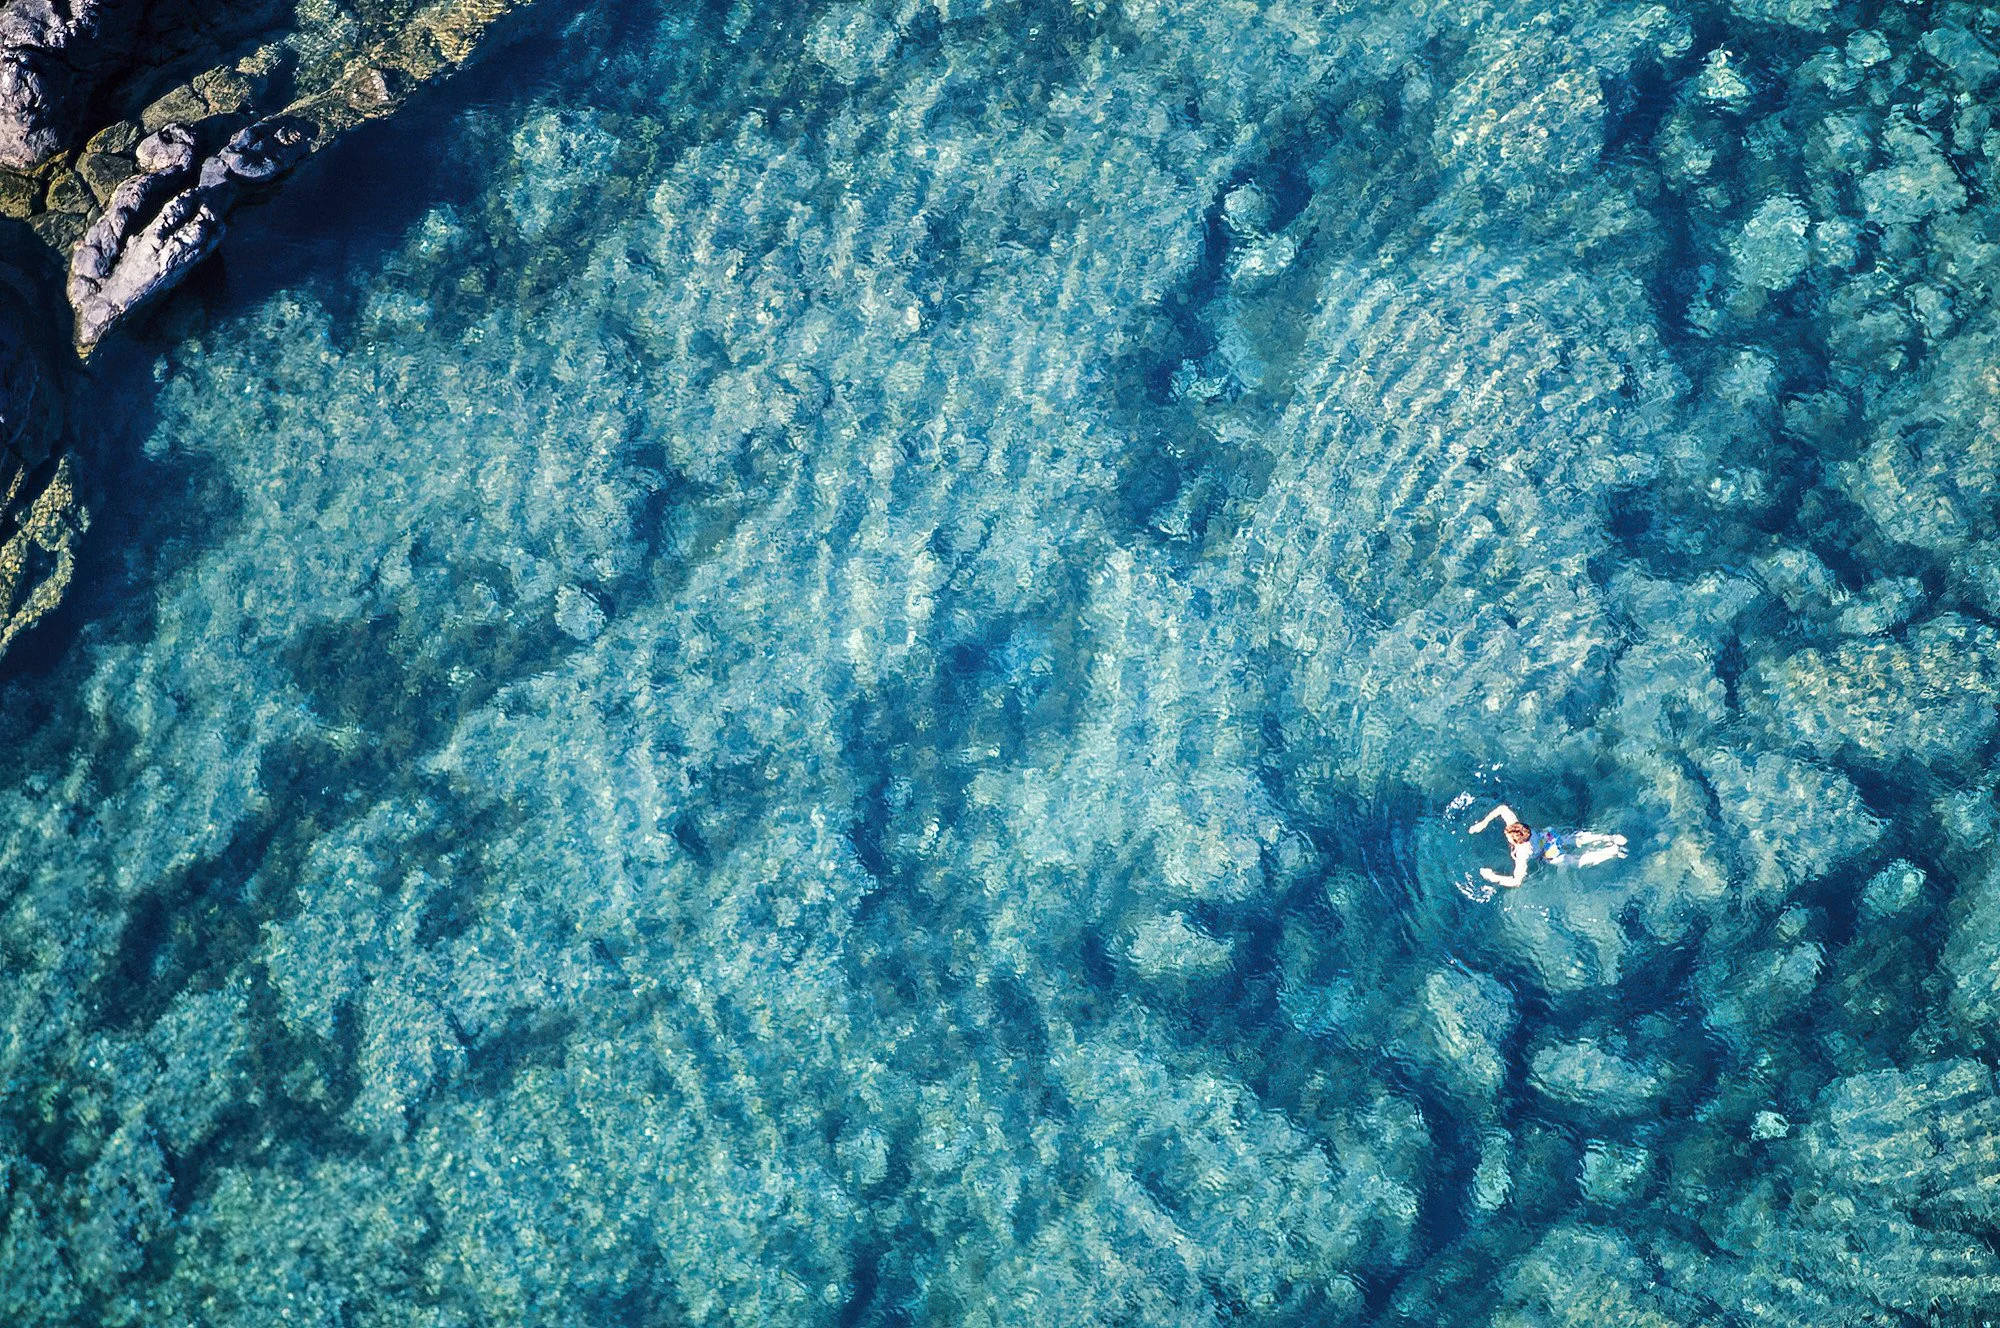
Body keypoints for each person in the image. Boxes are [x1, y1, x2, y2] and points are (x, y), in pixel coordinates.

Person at [1468, 803, 1626, 887]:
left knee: (1577, 861)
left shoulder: (1523, 853)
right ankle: (1610, 838)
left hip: (1549, 854)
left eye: (1508, 837)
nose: (1506, 835)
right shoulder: (1518, 825)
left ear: (1517, 841)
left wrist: (1492, 877)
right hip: (1549, 838)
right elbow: (1502, 809)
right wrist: (1483, 823)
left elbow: (1517, 881)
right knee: (1575, 838)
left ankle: (1612, 852)